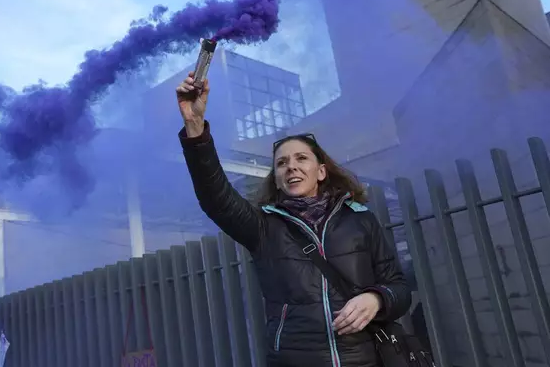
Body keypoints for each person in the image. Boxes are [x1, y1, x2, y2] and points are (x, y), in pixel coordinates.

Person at [175, 72, 411, 367]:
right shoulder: (263, 227)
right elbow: (215, 198)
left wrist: (377, 298)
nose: (291, 167)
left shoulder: (360, 220)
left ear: (321, 171)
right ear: (275, 178)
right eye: (282, 163)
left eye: (301, 159)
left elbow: (399, 288)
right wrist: (194, 125)